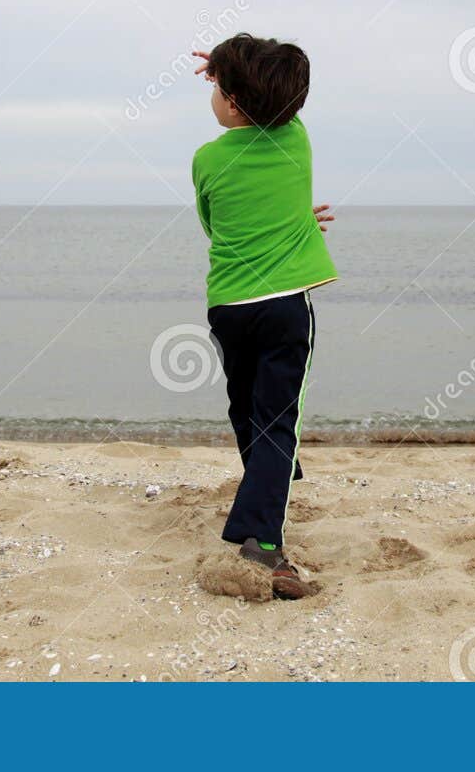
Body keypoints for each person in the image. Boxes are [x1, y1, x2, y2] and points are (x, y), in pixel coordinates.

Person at [190, 34, 338, 600]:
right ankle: (265, 544)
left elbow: (216, 226)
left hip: (228, 306)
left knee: (249, 411)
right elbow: (279, 106)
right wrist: (296, 221)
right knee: (278, 421)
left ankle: (267, 487)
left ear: (228, 101)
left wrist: (226, 71)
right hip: (282, 306)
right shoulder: (295, 141)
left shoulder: (205, 159)